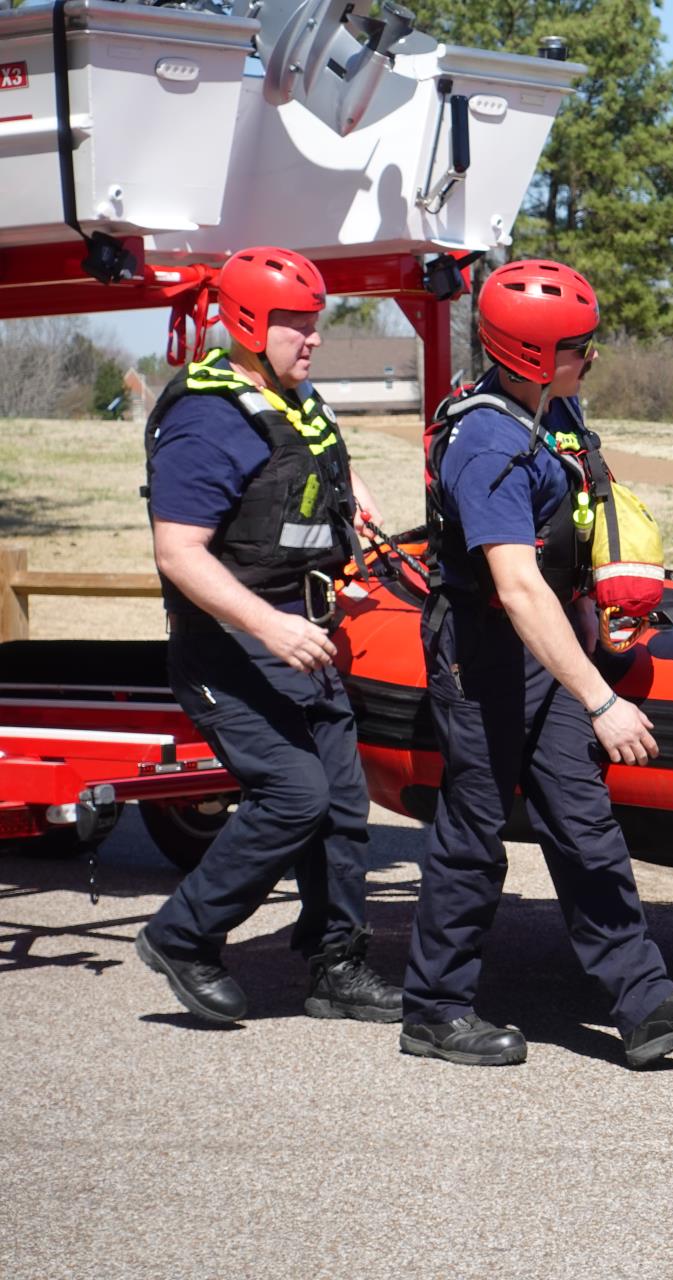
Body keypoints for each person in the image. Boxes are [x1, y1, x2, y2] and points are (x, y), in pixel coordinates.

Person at [402, 258, 673, 1067]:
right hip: (486, 651)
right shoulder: (486, 441)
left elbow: (567, 545)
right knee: (473, 834)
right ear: (530, 354)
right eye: (578, 347)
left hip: (548, 645)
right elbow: (517, 588)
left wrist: (603, 612)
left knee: (585, 821)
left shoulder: (551, 413)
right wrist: (601, 700)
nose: (591, 357)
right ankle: (434, 1009)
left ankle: (646, 1005)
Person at [135, 246, 401, 1025]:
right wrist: (269, 626)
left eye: (317, 323)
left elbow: (323, 470)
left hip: (303, 636)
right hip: (231, 643)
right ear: (251, 323)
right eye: (298, 324)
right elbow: (177, 551)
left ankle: (336, 965)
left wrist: (364, 512)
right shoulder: (205, 421)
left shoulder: (292, 398)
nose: (313, 338)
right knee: (295, 795)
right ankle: (183, 936)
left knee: (344, 806)